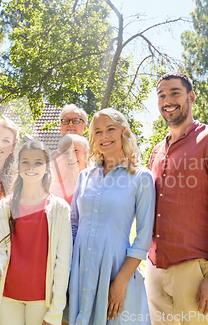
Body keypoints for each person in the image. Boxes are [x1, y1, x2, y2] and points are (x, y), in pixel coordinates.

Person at [145, 72, 208, 325]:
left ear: (191, 97)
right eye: (161, 95)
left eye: (175, 92)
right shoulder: (157, 151)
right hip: (154, 268)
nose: (167, 100)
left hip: (193, 269)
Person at [69, 108, 155, 325]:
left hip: (116, 269)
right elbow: (73, 225)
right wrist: (68, 274)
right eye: (97, 132)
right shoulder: (84, 176)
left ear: (123, 133)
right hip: (80, 271)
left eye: (110, 129)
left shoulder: (141, 177)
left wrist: (121, 282)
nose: (104, 136)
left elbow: (143, 238)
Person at [0, 139, 72, 325]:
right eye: (25, 162)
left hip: (42, 299)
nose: (31, 167)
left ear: (47, 167)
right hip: (8, 296)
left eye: (38, 162)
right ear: (17, 166)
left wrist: (55, 312)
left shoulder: (60, 208)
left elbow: (62, 263)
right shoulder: (3, 208)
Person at [51, 134, 89, 204]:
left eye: (75, 150)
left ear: (87, 153)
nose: (70, 157)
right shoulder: (54, 190)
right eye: (66, 152)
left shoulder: (96, 183)